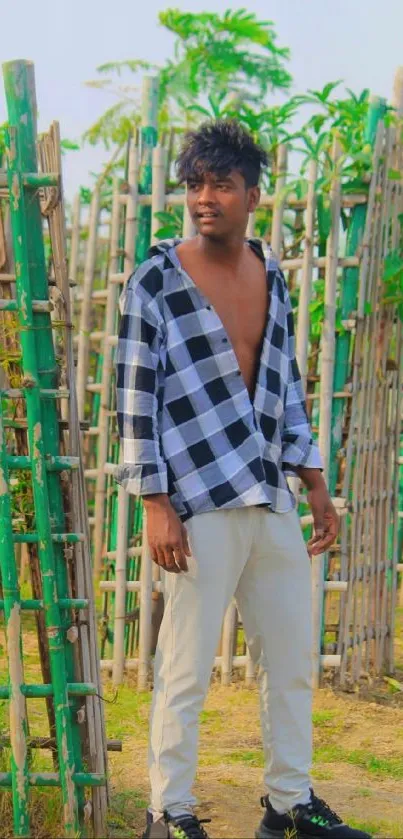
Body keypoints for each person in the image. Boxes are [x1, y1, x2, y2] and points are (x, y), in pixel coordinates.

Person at [116, 120, 370, 839]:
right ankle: (171, 812)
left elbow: (285, 382)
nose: (204, 198)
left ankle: (289, 805)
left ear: (252, 194)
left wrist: (314, 479)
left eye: (221, 184)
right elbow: (134, 398)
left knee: (289, 658)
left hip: (267, 491)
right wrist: (154, 502)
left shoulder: (271, 273)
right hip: (195, 498)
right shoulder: (155, 280)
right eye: (194, 184)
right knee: (186, 667)